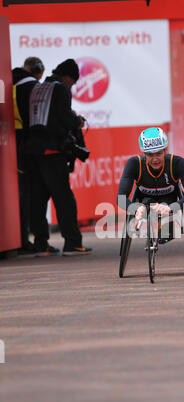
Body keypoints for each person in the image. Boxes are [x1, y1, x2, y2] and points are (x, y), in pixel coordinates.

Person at [27, 59, 92, 256]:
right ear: (68, 77)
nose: (72, 86)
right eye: (73, 82)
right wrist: (78, 122)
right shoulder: (61, 88)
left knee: (38, 200)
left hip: (34, 151)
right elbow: (64, 117)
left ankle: (41, 245)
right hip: (53, 151)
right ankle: (72, 243)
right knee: (64, 200)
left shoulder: (40, 87)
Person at [117, 127, 184, 244]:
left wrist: (172, 207)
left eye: (159, 153)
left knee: (165, 236)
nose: (155, 159)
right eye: (150, 155)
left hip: (170, 201)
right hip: (145, 201)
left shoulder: (177, 163)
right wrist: (135, 208)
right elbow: (120, 198)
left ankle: (166, 227)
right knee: (147, 205)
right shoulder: (134, 164)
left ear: (165, 150)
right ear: (143, 153)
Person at [12, 57, 45, 255]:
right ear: (38, 69)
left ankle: (19, 239)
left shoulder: (9, 82)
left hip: (11, 144)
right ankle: (25, 241)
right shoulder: (34, 87)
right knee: (28, 195)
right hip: (27, 147)